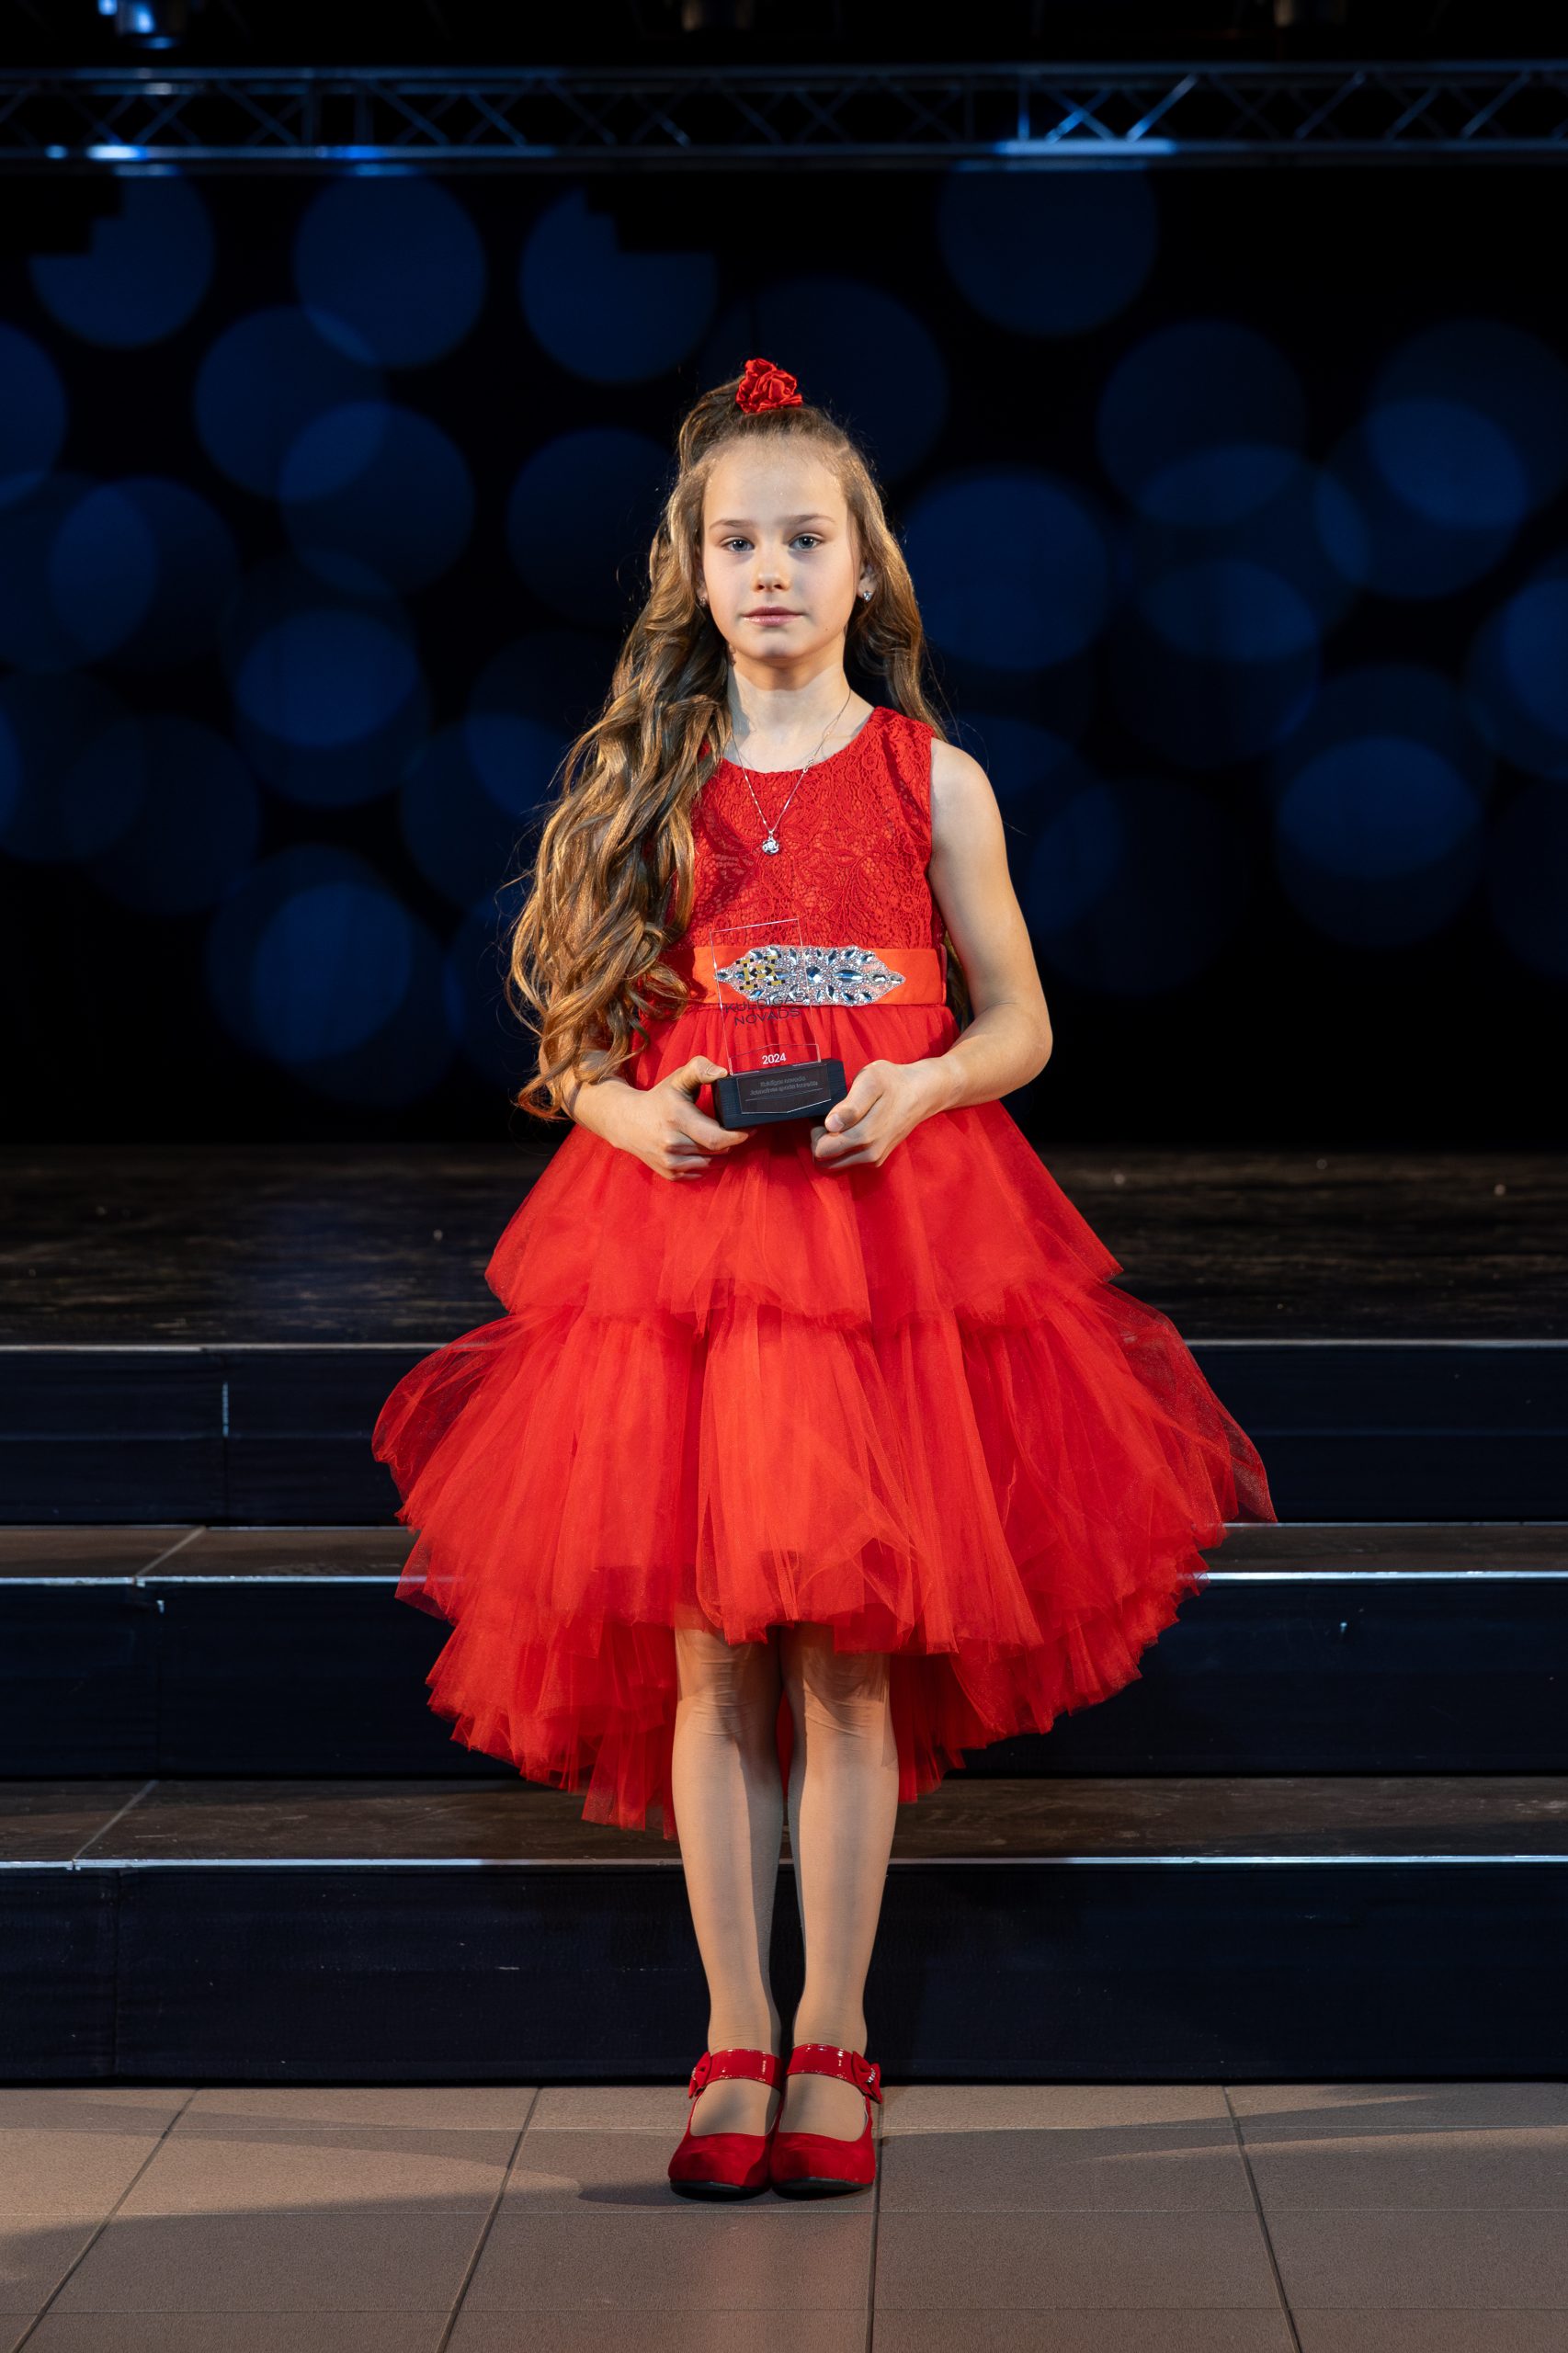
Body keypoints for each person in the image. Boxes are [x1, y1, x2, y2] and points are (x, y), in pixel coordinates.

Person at [372, 355, 1278, 2202]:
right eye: (736, 540)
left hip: (881, 1245)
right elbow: (571, 1044)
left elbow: (1019, 1020)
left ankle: (838, 2037)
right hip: (694, 1255)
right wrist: (629, 1114)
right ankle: (731, 2036)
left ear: (864, 565)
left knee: (849, 1659)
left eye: (803, 538)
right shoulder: (645, 780)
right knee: (713, 1654)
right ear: (690, 567)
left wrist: (922, 1084)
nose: (769, 569)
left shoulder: (933, 779)